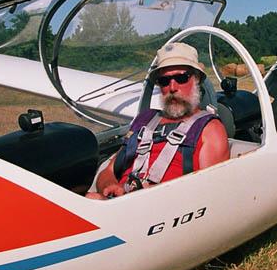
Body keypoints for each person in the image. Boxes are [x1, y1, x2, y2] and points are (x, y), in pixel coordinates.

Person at [87, 42, 230, 199]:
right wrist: (109, 186)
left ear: (196, 79)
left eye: (181, 78)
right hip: (119, 202)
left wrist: (153, 196)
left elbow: (210, 197)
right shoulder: (144, 119)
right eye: (164, 81)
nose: (172, 87)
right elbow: (108, 172)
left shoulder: (211, 129)